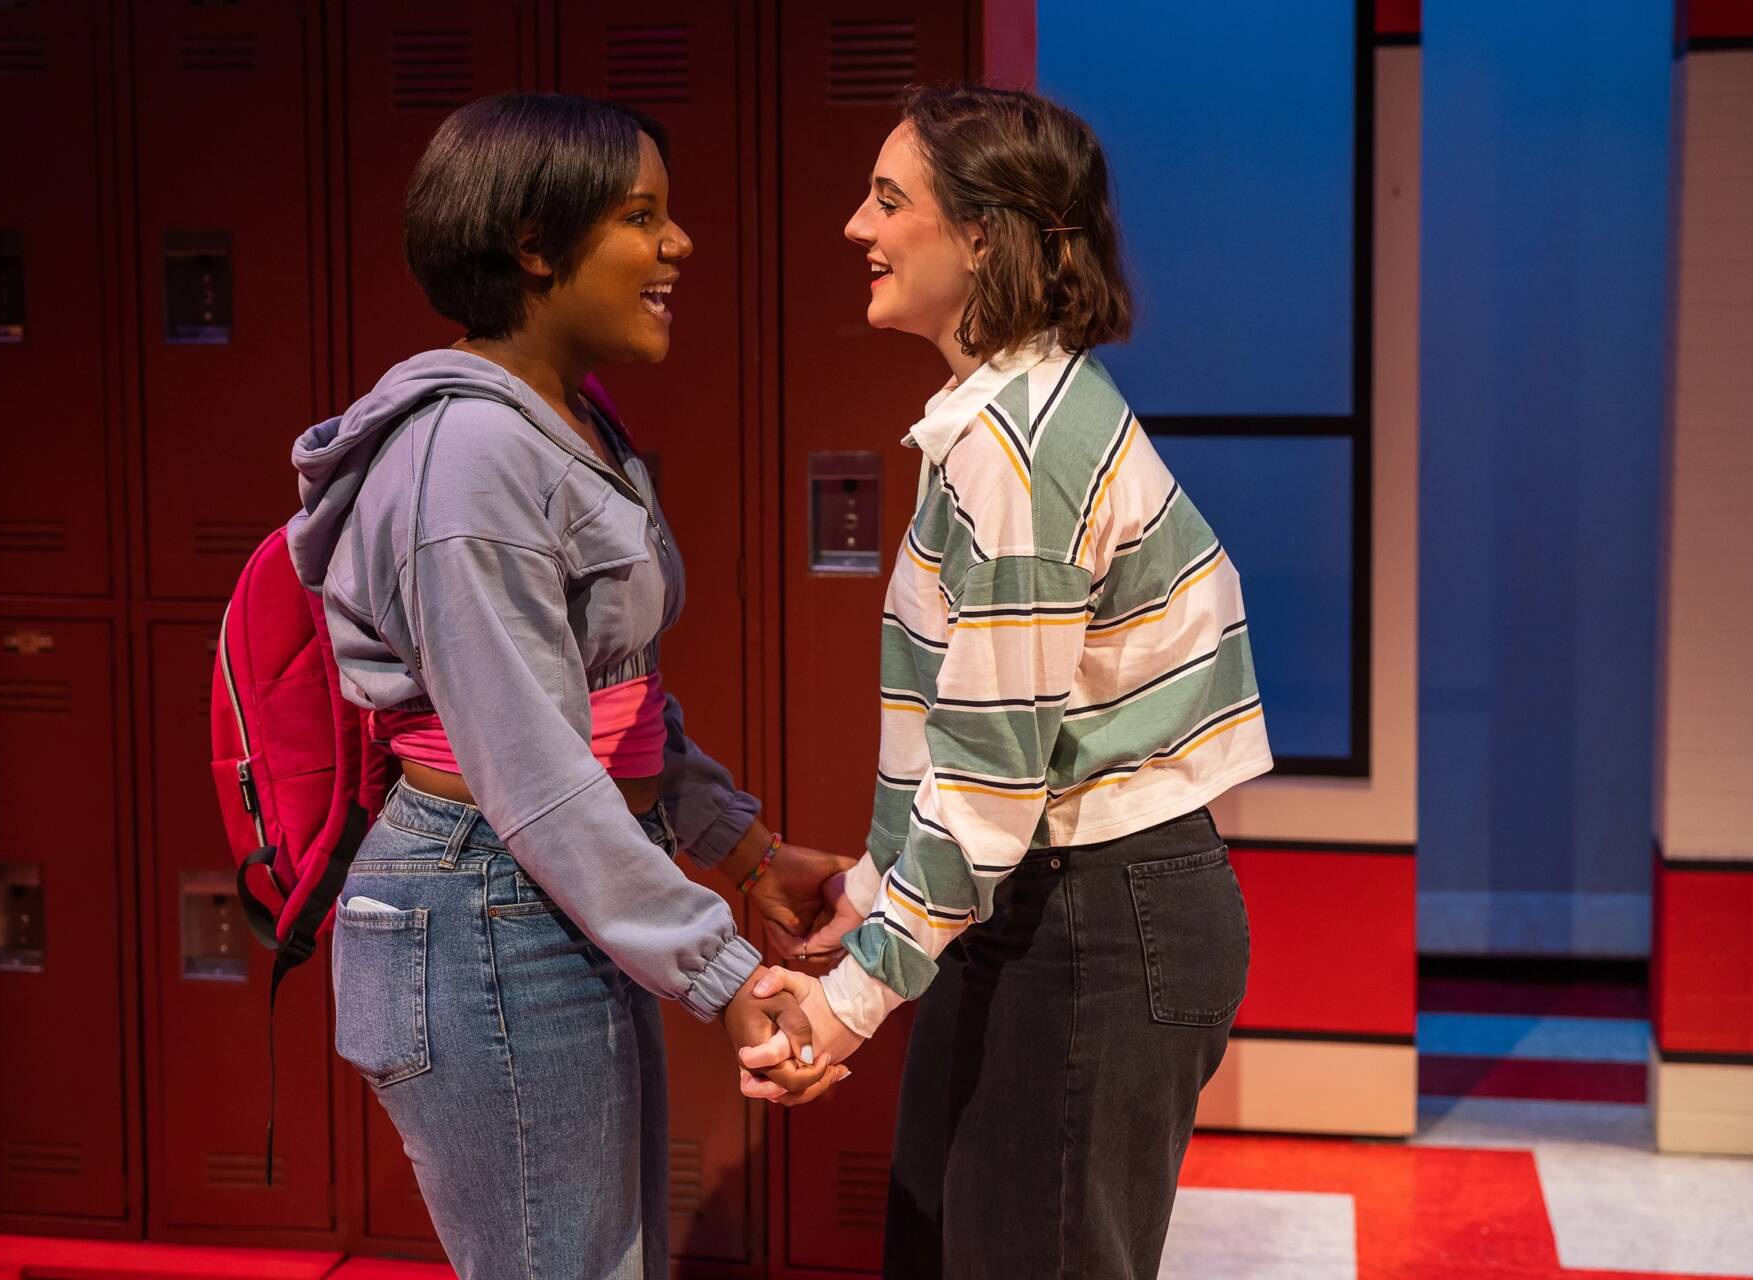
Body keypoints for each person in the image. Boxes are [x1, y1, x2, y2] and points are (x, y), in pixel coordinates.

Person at [286, 93, 841, 1279]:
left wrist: (740, 846)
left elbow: (611, 691)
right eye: (643, 217)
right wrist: (723, 970)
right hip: (480, 893)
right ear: (536, 245)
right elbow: (534, 771)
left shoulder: (567, 421)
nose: (679, 246)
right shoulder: (469, 458)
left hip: (530, 892)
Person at [739, 84, 1274, 1278]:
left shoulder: (1018, 453)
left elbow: (990, 783)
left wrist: (849, 1001)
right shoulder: (999, 421)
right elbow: (969, 744)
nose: (853, 228)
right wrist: (876, 896)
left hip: (1097, 920)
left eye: (889, 200)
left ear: (984, 233)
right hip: (1043, 908)